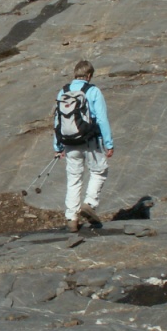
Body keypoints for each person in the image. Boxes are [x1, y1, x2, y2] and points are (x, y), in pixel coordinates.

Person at [53, 60, 114, 232]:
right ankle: (89, 204)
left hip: (69, 143)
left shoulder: (63, 91)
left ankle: (71, 219)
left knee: (74, 179)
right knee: (99, 171)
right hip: (90, 141)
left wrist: (58, 146)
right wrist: (109, 144)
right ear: (89, 76)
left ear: (75, 74)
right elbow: (102, 119)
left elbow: (57, 120)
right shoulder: (93, 91)